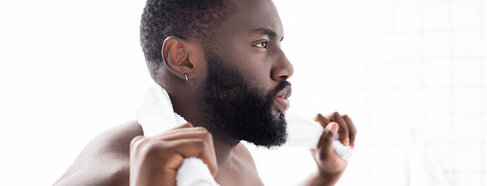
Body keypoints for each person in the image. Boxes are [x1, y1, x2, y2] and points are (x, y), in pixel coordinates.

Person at [53, 0, 357, 185]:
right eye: (262, 44)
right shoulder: (120, 176)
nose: (286, 67)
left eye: (279, 44)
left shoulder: (237, 156)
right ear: (182, 58)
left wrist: (323, 178)